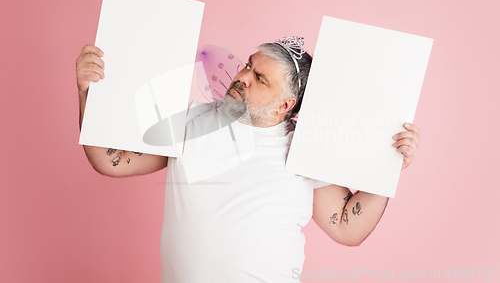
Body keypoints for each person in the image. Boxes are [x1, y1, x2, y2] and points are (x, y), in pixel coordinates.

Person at [75, 37, 420, 282]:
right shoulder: (190, 121)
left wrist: (385, 169)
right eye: (247, 66)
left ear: (285, 105)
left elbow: (348, 227)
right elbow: (111, 159)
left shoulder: (304, 148)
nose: (241, 78)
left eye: (259, 79)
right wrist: (88, 93)